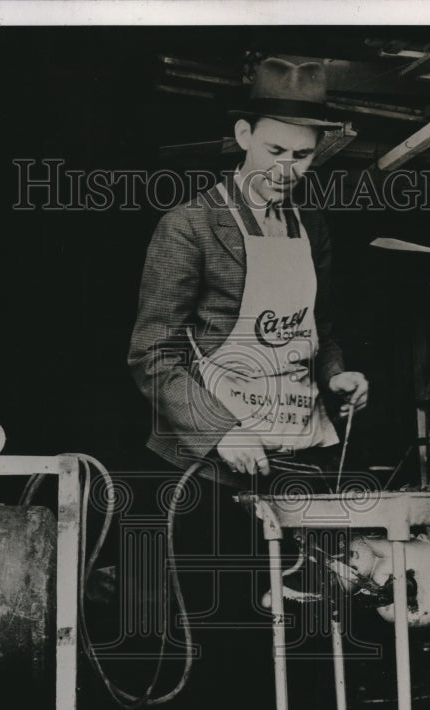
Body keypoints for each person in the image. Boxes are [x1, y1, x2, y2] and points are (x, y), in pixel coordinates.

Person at [128, 58, 368, 482]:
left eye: (302, 155)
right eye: (274, 152)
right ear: (244, 135)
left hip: (301, 450)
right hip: (212, 468)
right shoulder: (190, 225)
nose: (285, 170)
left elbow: (319, 328)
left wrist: (335, 376)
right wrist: (220, 431)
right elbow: (152, 356)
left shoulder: (311, 224)